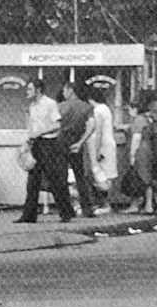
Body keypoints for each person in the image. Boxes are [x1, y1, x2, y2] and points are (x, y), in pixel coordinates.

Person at [16, 79, 76, 223]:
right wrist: (29, 140)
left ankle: (66, 212)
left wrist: (40, 132)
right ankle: (29, 215)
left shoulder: (50, 104)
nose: (27, 92)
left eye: (30, 89)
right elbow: (31, 126)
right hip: (36, 143)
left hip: (49, 143)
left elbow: (57, 124)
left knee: (54, 179)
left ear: (38, 90)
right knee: (33, 181)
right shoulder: (32, 106)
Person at [58, 82, 97, 218]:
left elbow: (54, 125)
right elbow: (92, 126)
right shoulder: (86, 107)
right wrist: (81, 142)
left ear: (71, 90)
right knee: (80, 175)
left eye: (65, 90)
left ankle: (66, 209)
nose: (63, 93)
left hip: (61, 141)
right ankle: (87, 208)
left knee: (61, 176)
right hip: (77, 141)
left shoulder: (60, 107)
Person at [87, 87, 117, 214]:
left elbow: (98, 131)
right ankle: (105, 203)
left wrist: (97, 149)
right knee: (107, 174)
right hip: (109, 143)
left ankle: (104, 204)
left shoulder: (98, 110)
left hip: (102, 145)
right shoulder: (106, 108)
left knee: (99, 174)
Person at [125, 100, 157, 214]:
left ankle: (136, 204)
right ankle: (148, 204)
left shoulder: (138, 120)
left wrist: (132, 154)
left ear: (135, 109)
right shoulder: (146, 119)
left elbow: (136, 137)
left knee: (138, 176)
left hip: (140, 151)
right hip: (148, 149)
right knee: (147, 177)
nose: (129, 112)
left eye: (129, 109)